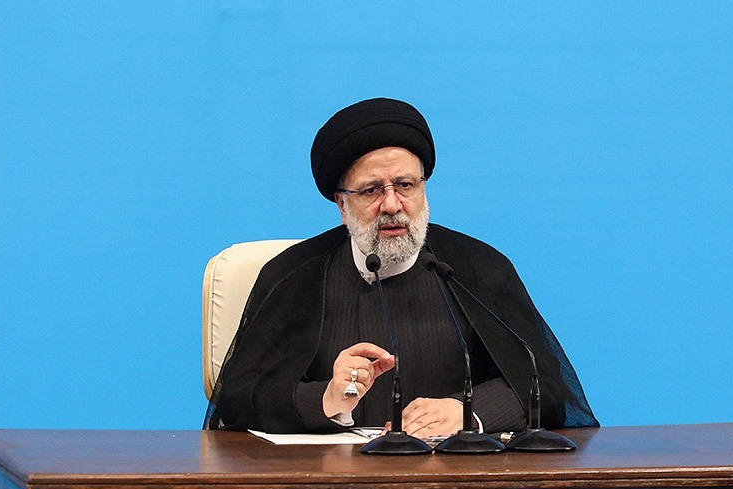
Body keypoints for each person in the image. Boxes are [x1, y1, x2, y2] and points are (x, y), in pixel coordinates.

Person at [206, 98, 596, 436]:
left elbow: (547, 386)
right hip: (328, 483)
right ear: (342, 204)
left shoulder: (477, 269)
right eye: (372, 190)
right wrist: (325, 399)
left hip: (457, 483)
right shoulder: (293, 276)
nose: (392, 205)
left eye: (405, 185)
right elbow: (238, 400)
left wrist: (468, 411)